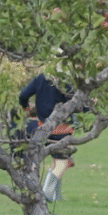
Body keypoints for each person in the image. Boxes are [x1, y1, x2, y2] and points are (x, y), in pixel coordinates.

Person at [19, 72, 77, 202]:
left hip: (41, 127)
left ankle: (57, 196)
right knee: (62, 161)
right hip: (61, 127)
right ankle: (47, 192)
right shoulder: (66, 78)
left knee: (51, 160)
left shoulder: (41, 77)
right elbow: (76, 103)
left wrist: (26, 108)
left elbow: (23, 95)